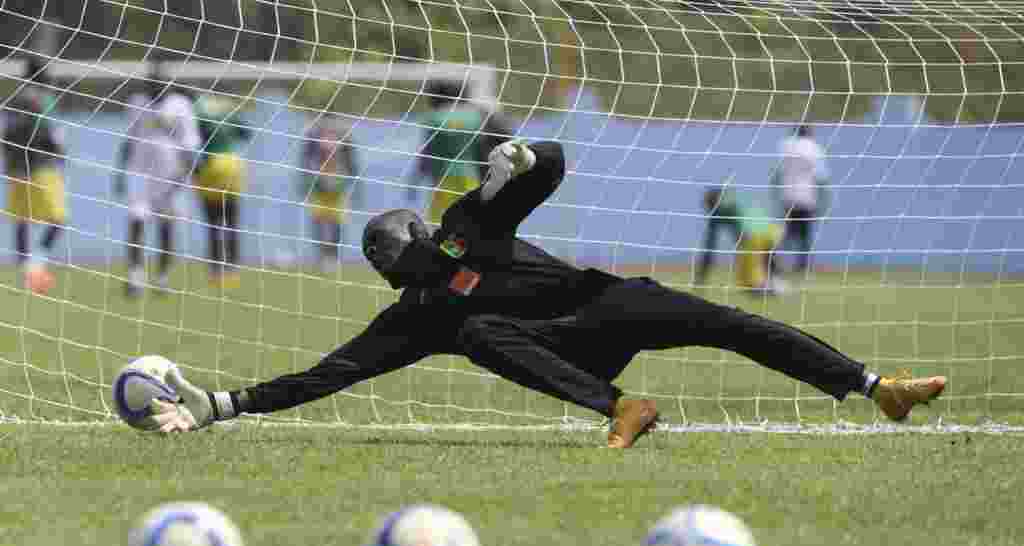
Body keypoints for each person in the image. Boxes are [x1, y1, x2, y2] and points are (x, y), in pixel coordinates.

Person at [148, 141, 946, 448]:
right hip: (569, 351)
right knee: (477, 335)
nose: (406, 260)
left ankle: (877, 387)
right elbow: (331, 374)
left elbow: (550, 168)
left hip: (605, 302)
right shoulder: (417, 317)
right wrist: (225, 405)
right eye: (400, 255)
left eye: (401, 249)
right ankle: (620, 408)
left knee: (729, 321)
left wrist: (525, 155)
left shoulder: (466, 222)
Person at [114, 71, 201, 298]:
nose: (156, 91)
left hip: (170, 175)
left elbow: (190, 145)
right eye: (152, 87)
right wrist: (120, 173)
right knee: (136, 220)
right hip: (140, 173)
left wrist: (185, 175)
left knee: (167, 225)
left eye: (160, 87)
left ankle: (162, 277)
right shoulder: (136, 103)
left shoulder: (181, 106)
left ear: (169, 87)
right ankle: (135, 276)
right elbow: (129, 139)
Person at [409, 79, 511, 225]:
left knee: (440, 223)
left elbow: (427, 152)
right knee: (471, 219)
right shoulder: (476, 116)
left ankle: (445, 240)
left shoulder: (433, 118)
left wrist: (415, 180)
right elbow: (495, 138)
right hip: (471, 175)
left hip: (443, 177)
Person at [3, 59, 66, 295]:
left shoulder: (13, 100)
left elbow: (5, 134)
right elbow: (51, 133)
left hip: (16, 169)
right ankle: (37, 262)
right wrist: (60, 154)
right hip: (42, 167)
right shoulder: (44, 100)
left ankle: (26, 273)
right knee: (58, 219)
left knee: (22, 220)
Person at [193, 94, 252, 289]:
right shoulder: (228, 107)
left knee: (213, 223)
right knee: (232, 222)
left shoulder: (198, 107)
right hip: (232, 165)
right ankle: (232, 271)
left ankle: (216, 271)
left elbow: (192, 137)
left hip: (209, 164)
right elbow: (246, 133)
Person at [696, 183, 784, 294]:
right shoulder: (737, 200)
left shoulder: (721, 209)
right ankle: (775, 282)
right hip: (773, 231)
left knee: (749, 279)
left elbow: (709, 247)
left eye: (707, 205)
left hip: (755, 236)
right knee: (759, 267)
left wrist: (701, 277)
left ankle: (769, 286)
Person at [300, 116, 360, 272]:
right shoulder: (313, 134)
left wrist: (350, 179)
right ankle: (323, 256)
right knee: (319, 220)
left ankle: (332, 255)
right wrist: (309, 180)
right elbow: (306, 159)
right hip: (319, 185)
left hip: (337, 185)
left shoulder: (343, 134)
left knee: (336, 222)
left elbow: (351, 160)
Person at [773, 125, 829, 273]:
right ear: (809, 132)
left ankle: (774, 258)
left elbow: (777, 173)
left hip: (788, 195)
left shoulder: (785, 146)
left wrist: (775, 195)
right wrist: (824, 200)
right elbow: (821, 176)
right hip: (807, 195)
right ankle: (802, 264)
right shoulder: (814, 148)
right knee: (805, 233)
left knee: (788, 231)